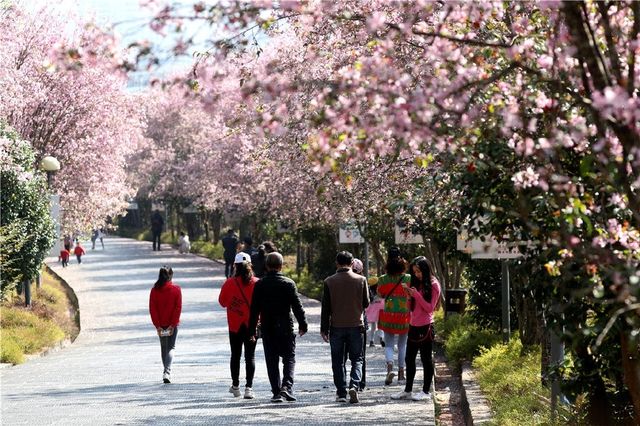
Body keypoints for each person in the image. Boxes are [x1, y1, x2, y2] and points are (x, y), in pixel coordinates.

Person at [249, 252, 308, 403]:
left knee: (272, 359)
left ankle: (276, 392)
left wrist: (251, 331)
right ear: (281, 266)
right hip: (285, 327)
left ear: (267, 266)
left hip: (268, 327)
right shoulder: (288, 283)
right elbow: (297, 306)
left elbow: (254, 310)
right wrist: (303, 324)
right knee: (289, 357)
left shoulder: (260, 284)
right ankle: (286, 387)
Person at [321, 251, 369, 403]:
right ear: (352, 263)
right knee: (358, 359)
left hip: (336, 327)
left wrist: (324, 329)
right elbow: (366, 303)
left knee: (338, 360)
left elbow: (326, 308)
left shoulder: (329, 281)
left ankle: (341, 393)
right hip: (356, 325)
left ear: (337, 263)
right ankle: (354, 385)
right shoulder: (361, 280)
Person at [392, 256, 441, 401]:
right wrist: (408, 297)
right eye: (414, 272)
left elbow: (429, 308)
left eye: (419, 272)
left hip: (426, 326)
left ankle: (426, 391)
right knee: (409, 359)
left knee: (426, 359)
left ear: (426, 270)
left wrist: (417, 295)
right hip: (413, 325)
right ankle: (408, 390)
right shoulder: (416, 283)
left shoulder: (433, 284)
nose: (417, 275)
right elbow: (411, 308)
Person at [219, 252, 259, 400]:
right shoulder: (257, 282)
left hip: (235, 325)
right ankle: (249, 388)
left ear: (235, 266)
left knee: (235, 355)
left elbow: (222, 302)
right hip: (251, 326)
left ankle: (236, 386)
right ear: (250, 265)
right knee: (250, 356)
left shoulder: (229, 283)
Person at [377, 246, 411, 385]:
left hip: (388, 314)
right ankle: (401, 373)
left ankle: (390, 368)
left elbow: (380, 295)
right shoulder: (408, 278)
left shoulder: (383, 279)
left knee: (389, 344)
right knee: (402, 345)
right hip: (404, 315)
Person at [149, 266, 182, 383]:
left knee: (164, 348)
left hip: (160, 324)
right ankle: (167, 371)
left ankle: (166, 371)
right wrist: (172, 325)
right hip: (172, 324)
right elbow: (178, 308)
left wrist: (157, 325)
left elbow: (152, 309)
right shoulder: (176, 289)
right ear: (171, 276)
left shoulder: (154, 291)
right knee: (171, 347)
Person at [365, 276, 385, 347]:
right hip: (380, 309)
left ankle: (371, 340)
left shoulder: (369, 291)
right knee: (381, 325)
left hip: (372, 310)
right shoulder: (380, 290)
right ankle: (381, 338)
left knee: (373, 326)